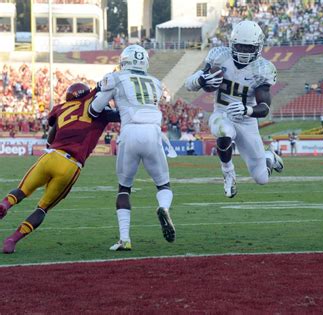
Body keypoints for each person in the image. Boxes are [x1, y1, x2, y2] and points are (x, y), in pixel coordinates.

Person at [0, 83, 120, 254]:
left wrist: (50, 145)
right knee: (42, 208)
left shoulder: (61, 108)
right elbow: (119, 116)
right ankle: (12, 239)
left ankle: (5, 204)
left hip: (51, 156)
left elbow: (52, 131)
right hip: (70, 164)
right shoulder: (96, 107)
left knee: (22, 190)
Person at [184, 20, 283, 198]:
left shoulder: (262, 69)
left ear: (258, 47)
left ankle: (270, 158)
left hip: (247, 121)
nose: (244, 52)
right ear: (232, 43)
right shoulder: (219, 57)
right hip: (222, 113)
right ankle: (228, 172)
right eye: (240, 46)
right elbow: (189, 85)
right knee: (224, 131)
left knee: (262, 178)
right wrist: (201, 80)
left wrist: (247, 110)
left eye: (248, 48)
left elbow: (265, 108)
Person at [90, 44, 175, 251]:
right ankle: (163, 207)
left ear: (124, 61)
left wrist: (102, 96)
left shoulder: (116, 77)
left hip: (130, 133)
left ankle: (125, 239)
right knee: (163, 186)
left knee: (124, 189)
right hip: (154, 132)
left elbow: (95, 110)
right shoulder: (156, 82)